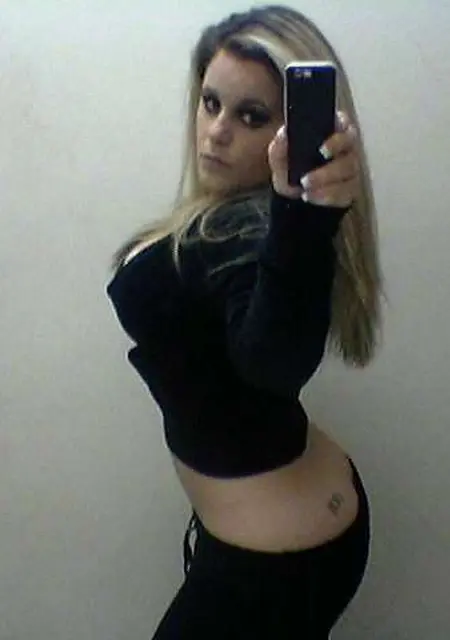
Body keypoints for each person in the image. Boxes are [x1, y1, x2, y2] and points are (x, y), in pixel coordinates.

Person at [106, 4, 384, 638]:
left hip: (272, 567)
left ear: (299, 133)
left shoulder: (257, 227)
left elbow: (275, 363)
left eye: (252, 116)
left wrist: (303, 219)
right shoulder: (234, 215)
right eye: (210, 104)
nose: (216, 132)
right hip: (283, 534)